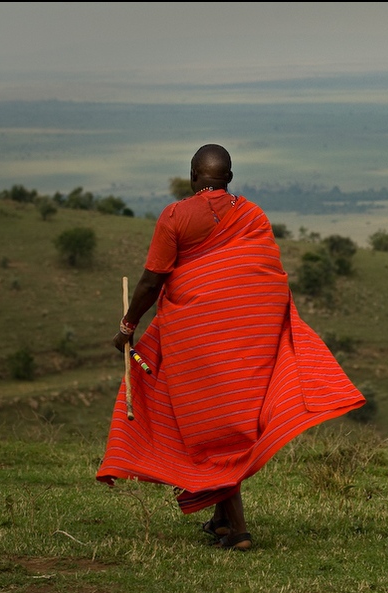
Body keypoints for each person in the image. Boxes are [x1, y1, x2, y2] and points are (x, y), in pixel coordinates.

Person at [96, 144, 365, 551]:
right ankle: (221, 521)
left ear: (192, 177)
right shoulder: (252, 214)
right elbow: (270, 277)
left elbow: (152, 281)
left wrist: (127, 326)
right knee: (226, 422)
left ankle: (238, 530)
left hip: (194, 338)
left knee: (212, 430)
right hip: (247, 338)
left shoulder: (175, 216)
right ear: (230, 179)